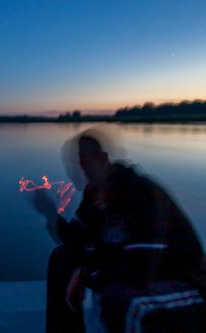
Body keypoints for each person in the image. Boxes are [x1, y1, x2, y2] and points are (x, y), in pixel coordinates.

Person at [32, 129, 205, 333]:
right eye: (75, 163)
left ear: (103, 159)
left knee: (117, 294)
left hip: (176, 277)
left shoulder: (142, 191)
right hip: (136, 267)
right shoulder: (94, 195)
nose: (78, 170)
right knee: (61, 258)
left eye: (85, 162)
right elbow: (76, 241)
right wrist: (51, 214)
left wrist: (86, 274)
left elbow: (140, 268)